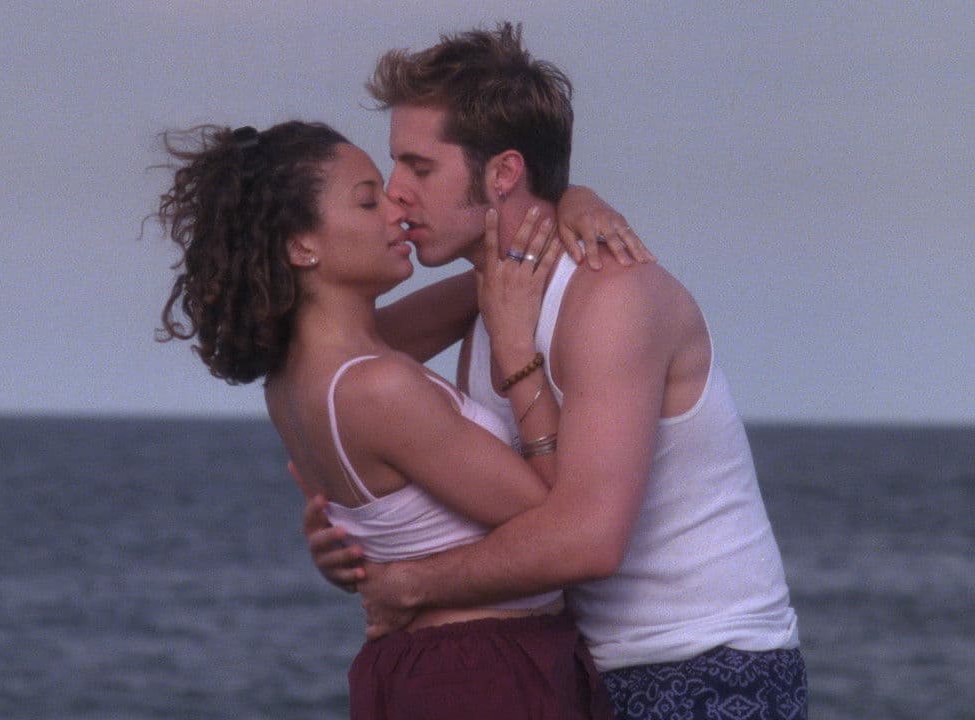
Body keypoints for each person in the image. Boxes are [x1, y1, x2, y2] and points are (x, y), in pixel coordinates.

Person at [301, 23, 808, 720]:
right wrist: (353, 536)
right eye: (394, 169)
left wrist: (411, 584)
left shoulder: (611, 297)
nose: (395, 195)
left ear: (503, 173)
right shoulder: (489, 299)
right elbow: (333, 370)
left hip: (707, 668)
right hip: (577, 667)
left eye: (419, 168)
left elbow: (588, 539)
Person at [155, 120, 646, 718]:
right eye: (368, 202)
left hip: (424, 668)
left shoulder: (297, 379)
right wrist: (518, 357)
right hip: (481, 675)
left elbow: (502, 276)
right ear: (301, 246)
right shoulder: (378, 387)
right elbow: (554, 521)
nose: (396, 209)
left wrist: (570, 202)